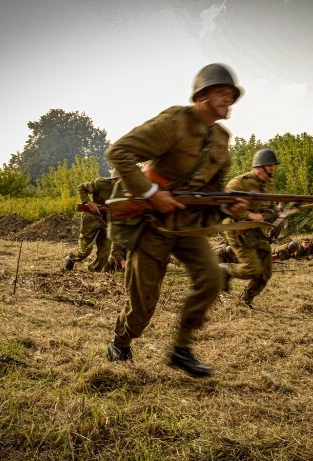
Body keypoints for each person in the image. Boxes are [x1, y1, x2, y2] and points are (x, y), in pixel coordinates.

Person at [104, 63, 248, 378]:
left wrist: (229, 209)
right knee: (143, 306)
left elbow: (213, 194)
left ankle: (181, 350)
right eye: (221, 92)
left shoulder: (222, 139)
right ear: (203, 94)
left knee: (212, 278)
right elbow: (119, 152)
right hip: (152, 225)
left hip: (187, 226)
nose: (228, 99)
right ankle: (120, 342)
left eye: (231, 94)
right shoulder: (176, 122)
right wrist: (152, 193)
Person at [219, 148, 280, 308]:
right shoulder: (239, 182)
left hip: (259, 232)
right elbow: (225, 206)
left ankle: (244, 301)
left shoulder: (269, 184)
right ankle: (223, 270)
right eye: (270, 166)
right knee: (251, 270)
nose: (273, 170)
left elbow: (269, 207)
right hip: (239, 230)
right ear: (260, 167)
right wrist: (249, 214)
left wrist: (277, 212)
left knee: (265, 273)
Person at [64, 176, 117, 272]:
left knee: (104, 255)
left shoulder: (126, 188)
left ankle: (93, 271)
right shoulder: (100, 183)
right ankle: (71, 258)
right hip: (92, 218)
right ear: (114, 178)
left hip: (108, 222)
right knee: (84, 252)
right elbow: (81, 187)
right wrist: (88, 202)